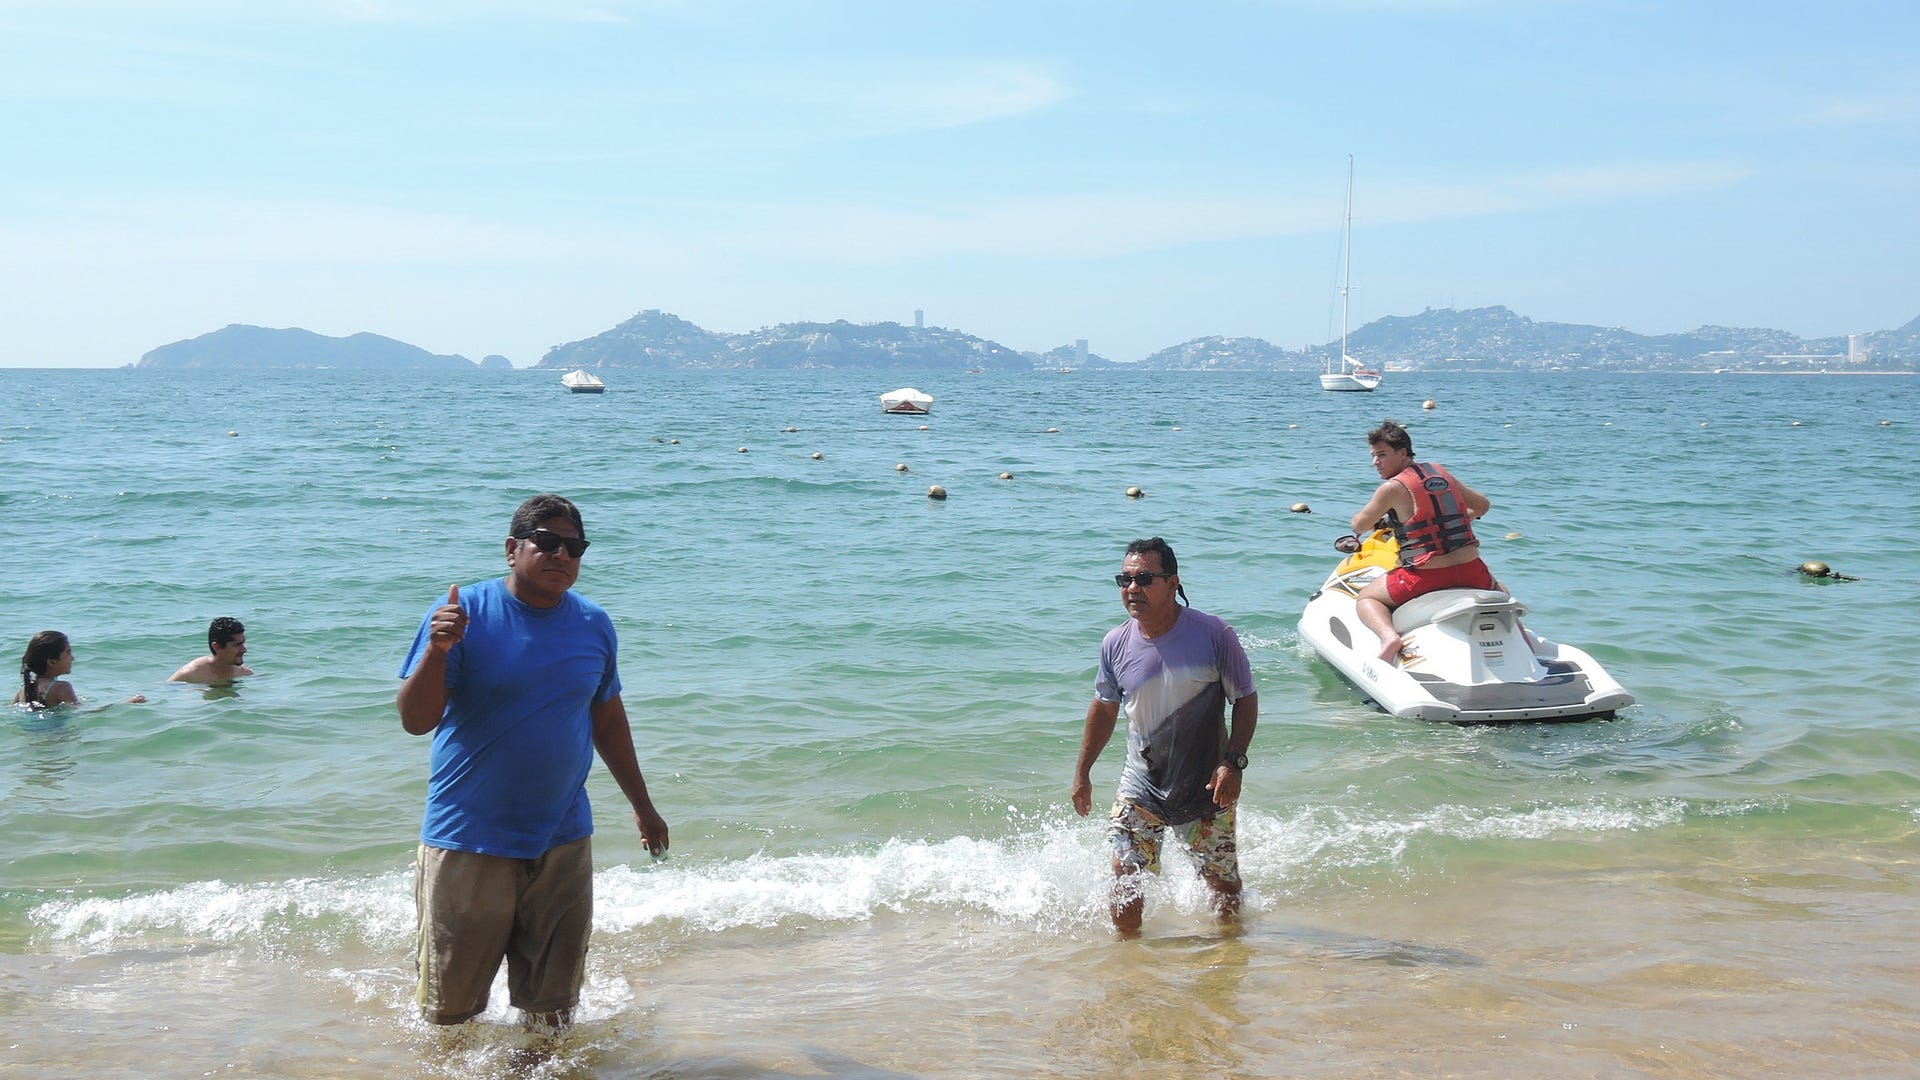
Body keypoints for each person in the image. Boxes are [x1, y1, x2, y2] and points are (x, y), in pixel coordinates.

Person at [396, 493, 669, 1029]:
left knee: (553, 1011)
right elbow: (414, 720)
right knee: (451, 1014)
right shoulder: (461, 614)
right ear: (512, 549)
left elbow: (608, 720)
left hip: (562, 837)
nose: (560, 555)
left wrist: (643, 805)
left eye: (574, 546)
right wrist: (437, 652)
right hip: (467, 839)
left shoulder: (593, 623)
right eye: (545, 542)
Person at [1070, 537, 1257, 938]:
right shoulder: (1115, 643)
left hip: (1207, 784)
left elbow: (1245, 699)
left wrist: (1234, 761)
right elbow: (1104, 709)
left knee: (1222, 886)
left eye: (1144, 579)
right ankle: (1130, 966)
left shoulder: (1213, 635)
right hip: (1141, 786)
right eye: (1125, 579)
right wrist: (1083, 771)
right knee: (1125, 881)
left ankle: (1231, 955)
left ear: (1173, 583)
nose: (1132, 588)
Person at [1347, 418, 1496, 663]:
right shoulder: (1440, 472)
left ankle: (1389, 639)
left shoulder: (1392, 488)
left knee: (1367, 598)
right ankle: (1520, 637)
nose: (1375, 462)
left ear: (1403, 453)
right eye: (1373, 455)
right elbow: (1482, 506)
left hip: (1426, 577)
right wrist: (1455, 521)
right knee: (1501, 593)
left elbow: (1360, 524)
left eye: (1382, 455)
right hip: (1472, 572)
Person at [14, 630, 146, 707]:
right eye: (68, 653)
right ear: (52, 661)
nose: (73, 658)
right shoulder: (62, 687)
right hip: (59, 737)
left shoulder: (23, 689)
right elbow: (83, 714)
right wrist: (126, 703)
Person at [168, 617, 253, 683]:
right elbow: (169, 692)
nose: (244, 650)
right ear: (217, 647)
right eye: (237, 645)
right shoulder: (191, 674)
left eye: (243, 643)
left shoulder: (244, 673)